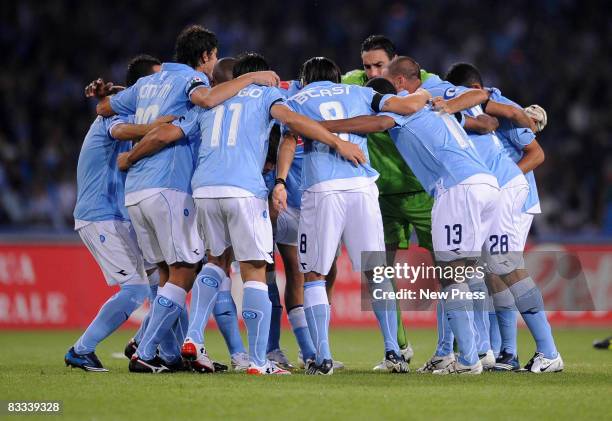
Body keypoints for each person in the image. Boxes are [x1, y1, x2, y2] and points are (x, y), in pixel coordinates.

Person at [120, 52, 365, 375]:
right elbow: (292, 121)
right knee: (254, 270)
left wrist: (132, 156)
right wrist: (336, 141)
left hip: (204, 189)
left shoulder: (210, 102)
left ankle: (193, 336)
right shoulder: (266, 94)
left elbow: (166, 133)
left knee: (215, 261)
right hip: (244, 189)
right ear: (262, 74)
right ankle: (259, 361)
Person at [96, 25, 280, 373]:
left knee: (169, 274)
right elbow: (199, 105)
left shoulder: (147, 84)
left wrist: (129, 126)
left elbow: (105, 108)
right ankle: (148, 349)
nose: (213, 71)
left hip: (135, 191)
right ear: (206, 56)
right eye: (212, 61)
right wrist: (252, 77)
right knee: (187, 270)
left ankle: (167, 350)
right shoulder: (194, 84)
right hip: (170, 186)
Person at [316, 74, 500, 374]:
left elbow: (377, 123)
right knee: (467, 270)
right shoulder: (432, 108)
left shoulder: (398, 110)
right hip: (485, 184)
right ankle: (481, 350)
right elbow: (481, 109)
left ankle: (467, 360)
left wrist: (324, 128)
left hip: (456, 188)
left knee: (452, 274)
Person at [273, 57, 431, 375]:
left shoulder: (296, 99)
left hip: (323, 189)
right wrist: (425, 97)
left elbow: (289, 140)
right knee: (376, 272)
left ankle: (323, 357)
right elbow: (398, 108)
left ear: (306, 79)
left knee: (315, 275)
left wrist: (280, 181)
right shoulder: (358, 93)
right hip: (363, 186)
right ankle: (394, 352)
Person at [445, 63, 563, 373]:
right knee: (491, 271)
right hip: (492, 195)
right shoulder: (473, 115)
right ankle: (501, 351)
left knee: (504, 267)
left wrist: (507, 176)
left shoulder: (501, 108)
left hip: (514, 197)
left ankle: (539, 351)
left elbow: (536, 153)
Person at [65, 55, 169, 372]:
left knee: (162, 285)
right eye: (155, 80)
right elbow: (122, 132)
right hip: (99, 214)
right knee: (136, 289)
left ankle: (142, 344)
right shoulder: (117, 112)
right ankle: (81, 350)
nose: (160, 86)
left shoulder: (129, 103)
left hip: (119, 216)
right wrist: (161, 125)